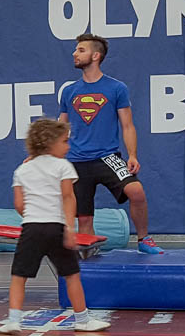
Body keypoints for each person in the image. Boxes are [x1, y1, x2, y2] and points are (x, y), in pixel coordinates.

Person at [0, 119, 110, 335]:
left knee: (18, 276)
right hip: (55, 228)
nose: (68, 146)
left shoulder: (22, 169)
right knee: (71, 275)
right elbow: (68, 197)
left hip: (30, 229)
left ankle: (13, 320)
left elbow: (19, 204)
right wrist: (70, 228)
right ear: (49, 143)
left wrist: (33, 216)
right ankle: (83, 320)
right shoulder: (63, 166)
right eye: (64, 142)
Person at [58, 33, 163, 254]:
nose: (75, 54)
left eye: (81, 50)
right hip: (76, 162)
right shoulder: (69, 91)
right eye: (76, 49)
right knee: (84, 219)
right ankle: (88, 259)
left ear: (96, 56)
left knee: (136, 191)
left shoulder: (116, 88)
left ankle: (144, 239)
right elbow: (61, 127)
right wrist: (43, 155)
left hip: (107, 157)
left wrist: (132, 155)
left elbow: (128, 126)